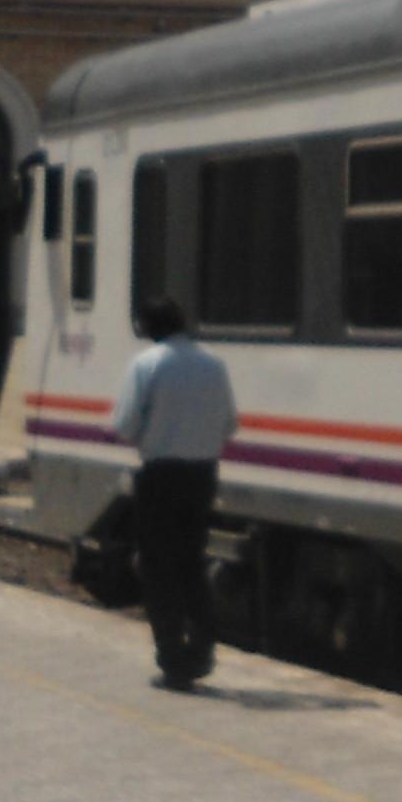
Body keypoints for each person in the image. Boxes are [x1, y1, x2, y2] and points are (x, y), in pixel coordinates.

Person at [107, 293, 236, 689]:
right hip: (202, 476)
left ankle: (173, 659)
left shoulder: (147, 364)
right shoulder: (214, 364)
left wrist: (153, 432)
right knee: (191, 562)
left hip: (160, 475)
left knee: (159, 567)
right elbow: (230, 423)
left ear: (149, 327)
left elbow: (125, 424)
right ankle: (202, 650)